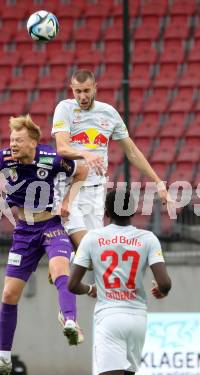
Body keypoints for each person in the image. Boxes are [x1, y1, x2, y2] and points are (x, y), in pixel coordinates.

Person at [0, 114, 88, 375]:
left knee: (61, 271)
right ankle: (4, 358)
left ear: (33, 142)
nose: (13, 144)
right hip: (24, 231)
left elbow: (82, 169)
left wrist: (69, 200)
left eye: (19, 140)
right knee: (8, 295)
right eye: (12, 139)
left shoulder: (52, 158)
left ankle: (69, 320)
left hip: (52, 226)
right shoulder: (4, 158)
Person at [51, 69, 171, 249]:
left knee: (94, 253)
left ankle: (66, 271)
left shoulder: (109, 113)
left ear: (95, 88)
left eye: (86, 91)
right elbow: (62, 147)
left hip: (95, 190)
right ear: (72, 89)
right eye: (78, 91)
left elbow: (131, 151)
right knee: (86, 246)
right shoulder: (65, 108)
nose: (82, 96)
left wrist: (158, 181)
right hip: (69, 186)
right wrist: (86, 154)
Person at [68, 188, 172, 375]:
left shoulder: (92, 238)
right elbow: (165, 283)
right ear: (133, 211)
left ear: (106, 211)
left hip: (109, 317)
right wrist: (162, 290)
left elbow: (72, 285)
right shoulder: (148, 238)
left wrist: (90, 289)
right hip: (137, 319)